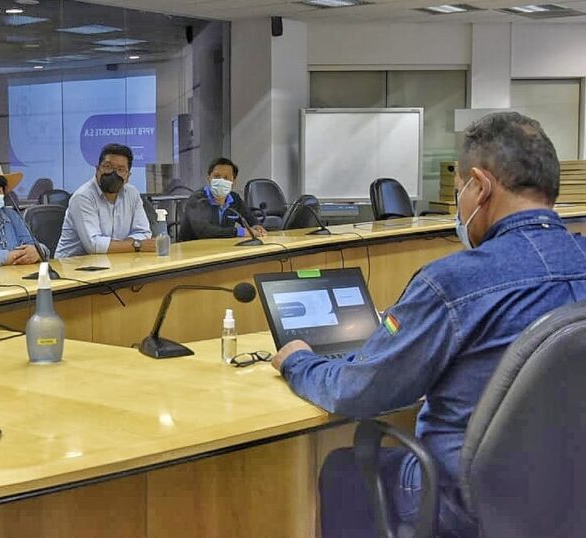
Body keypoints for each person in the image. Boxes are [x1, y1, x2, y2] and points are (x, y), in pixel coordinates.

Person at [268, 112, 586, 537]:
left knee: (345, 469)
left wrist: (299, 361)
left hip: (470, 497)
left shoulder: (453, 283)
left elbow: (358, 392)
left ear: (480, 186)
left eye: (459, 192)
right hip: (571, 489)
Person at [55, 143, 154, 258]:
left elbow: (144, 232)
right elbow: (94, 245)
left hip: (113, 261)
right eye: (108, 167)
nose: (113, 173)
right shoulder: (83, 197)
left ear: (128, 176)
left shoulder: (132, 193)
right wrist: (137, 245)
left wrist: (123, 246)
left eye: (120, 169)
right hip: (71, 264)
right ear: (97, 169)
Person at [178, 157, 267, 241]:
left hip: (221, 246)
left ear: (233, 181)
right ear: (209, 178)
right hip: (191, 248)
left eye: (226, 178)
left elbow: (250, 220)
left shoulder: (235, 199)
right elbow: (204, 231)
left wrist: (257, 227)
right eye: (217, 176)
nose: (221, 181)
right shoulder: (197, 199)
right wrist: (239, 232)